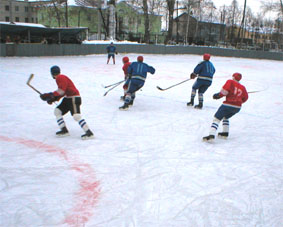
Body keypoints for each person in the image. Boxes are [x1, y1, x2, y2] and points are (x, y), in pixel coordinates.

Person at [40, 66, 94, 140]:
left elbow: (61, 91)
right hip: (68, 98)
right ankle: (64, 130)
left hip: (73, 98)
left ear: (52, 73)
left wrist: (50, 95)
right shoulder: (60, 77)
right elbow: (62, 92)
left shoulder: (60, 77)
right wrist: (53, 99)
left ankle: (89, 132)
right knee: (57, 111)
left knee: (76, 116)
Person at [203, 72, 249, 142]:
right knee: (226, 117)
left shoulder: (230, 82)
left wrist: (218, 95)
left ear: (233, 77)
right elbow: (245, 98)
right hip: (237, 107)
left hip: (228, 105)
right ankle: (225, 133)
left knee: (217, 118)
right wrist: (238, 101)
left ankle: (211, 135)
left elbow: (225, 91)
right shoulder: (242, 87)